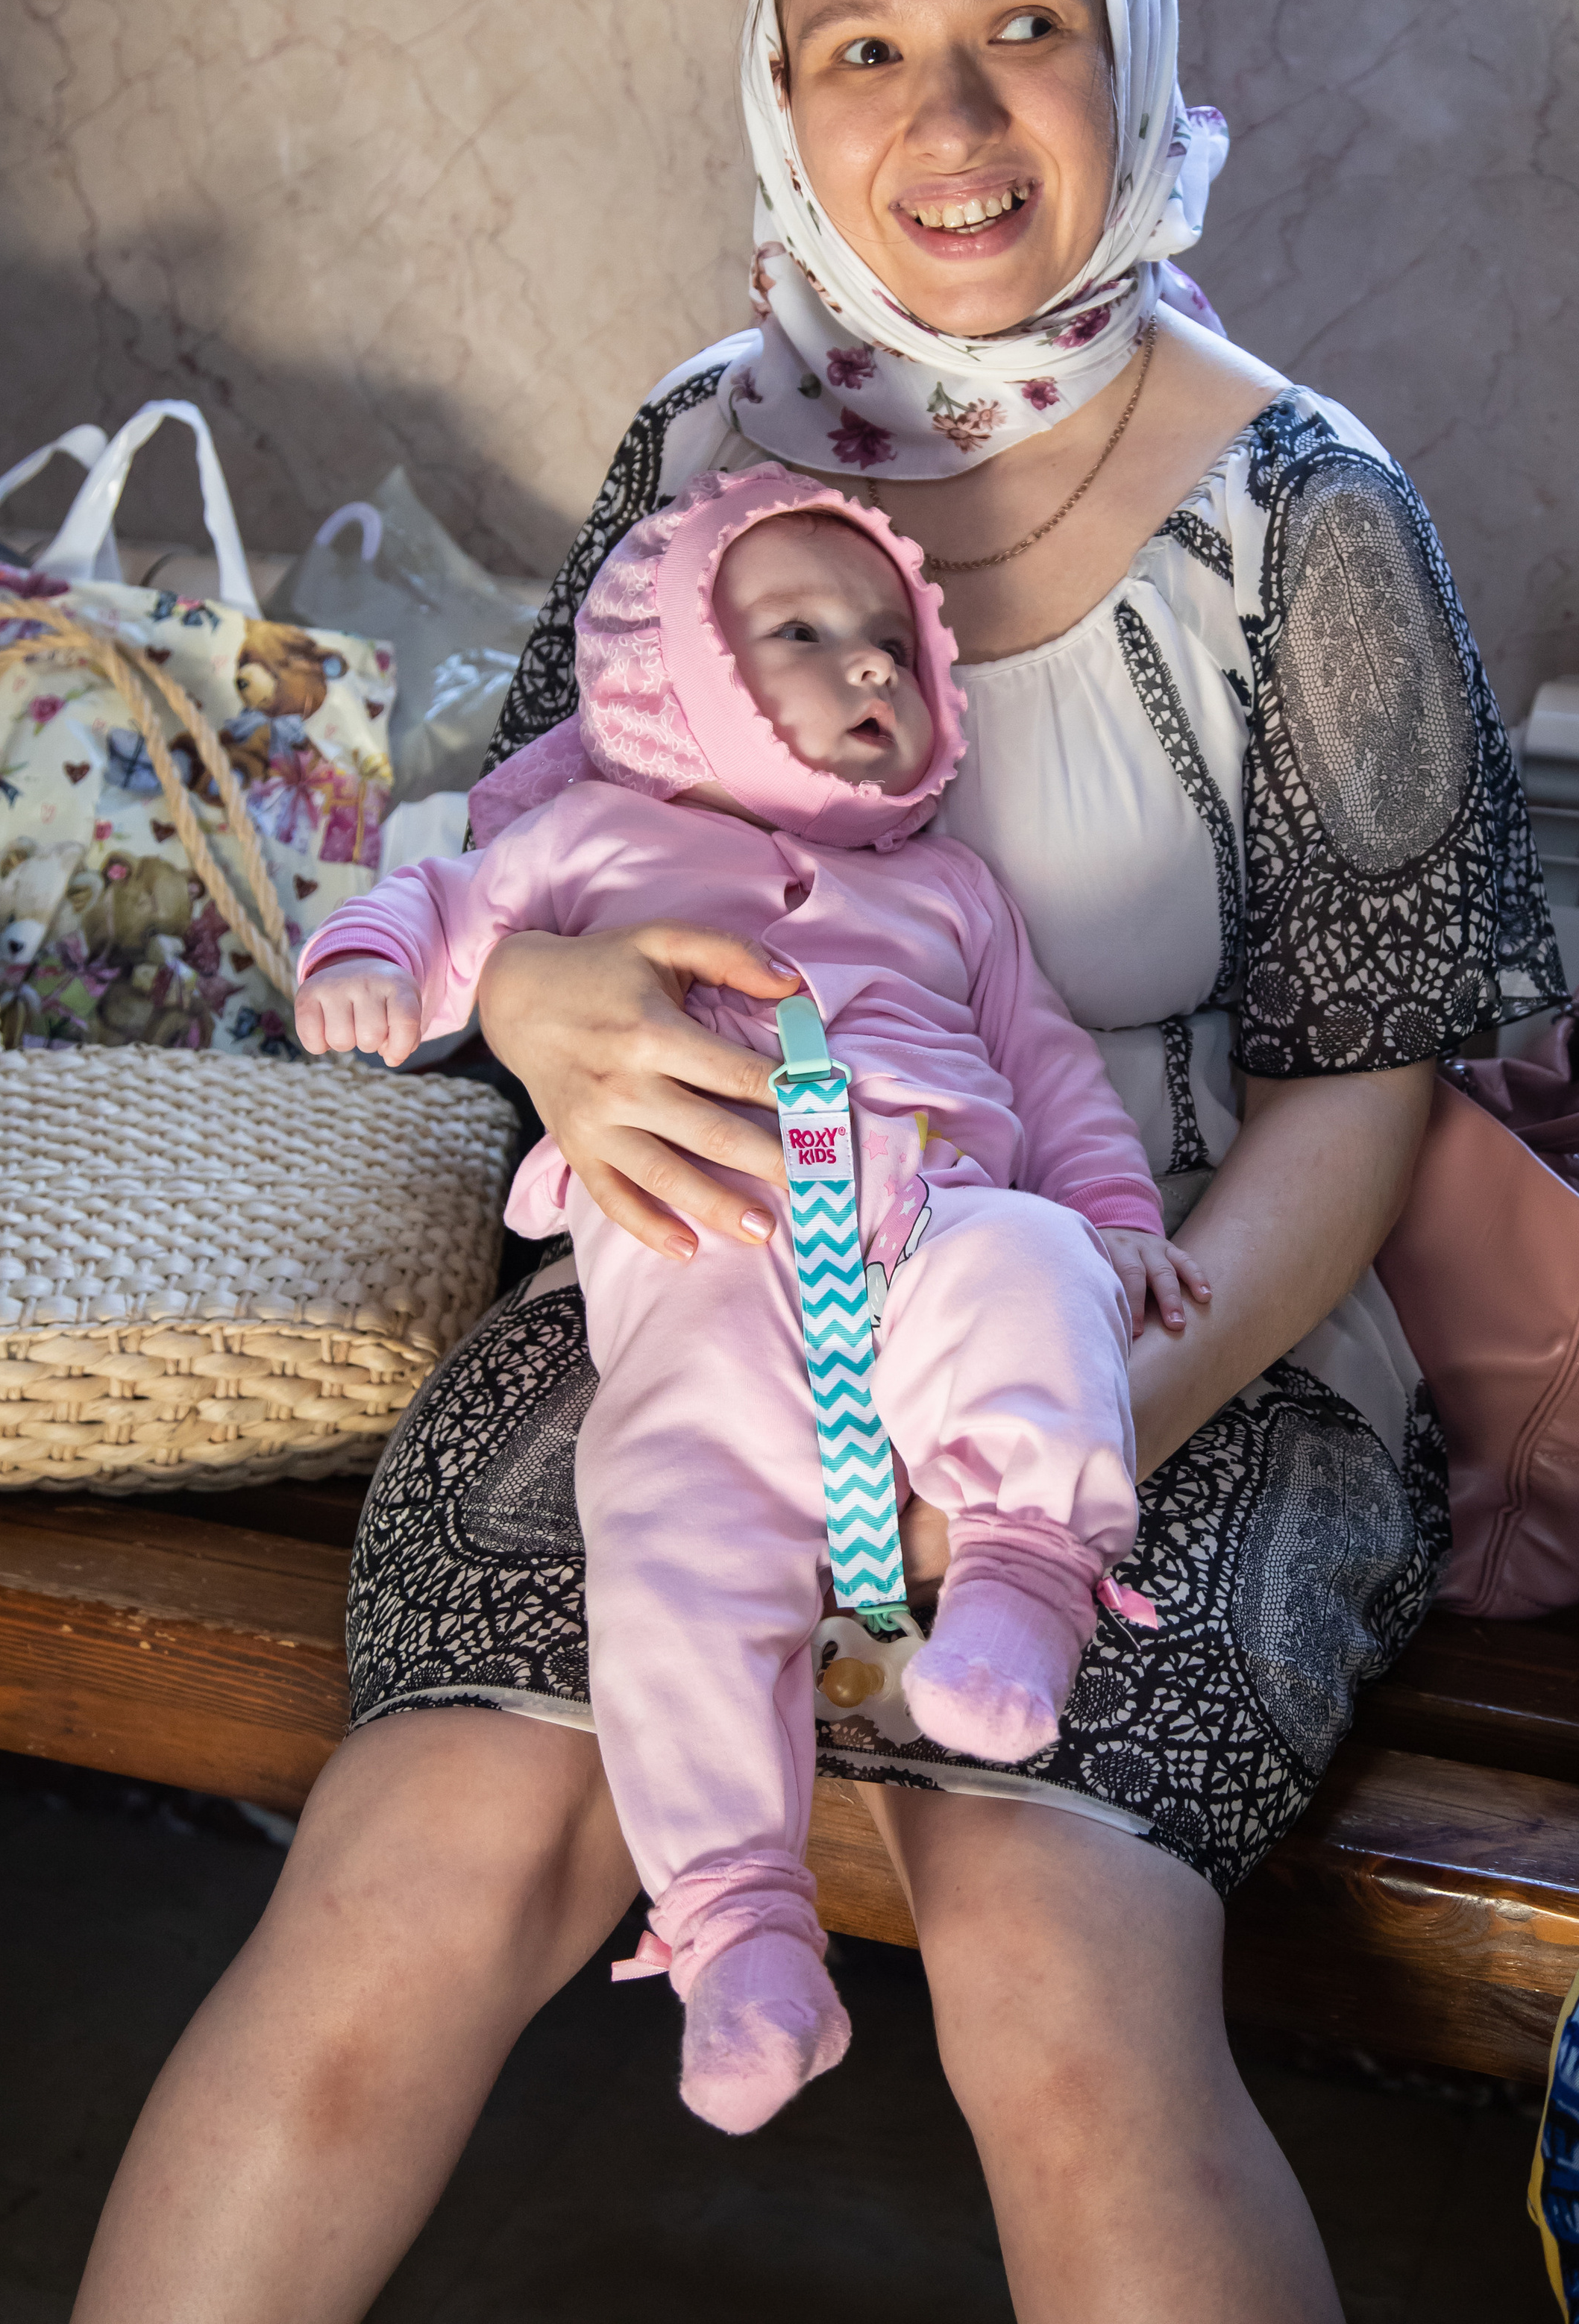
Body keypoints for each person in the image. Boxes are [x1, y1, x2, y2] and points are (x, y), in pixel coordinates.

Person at [78, 0, 1563, 2324]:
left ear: (1132, 53)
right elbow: (521, 862)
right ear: (776, 99)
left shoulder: (1303, 519)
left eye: (1024, 23)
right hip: (684, 1307)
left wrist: (1072, 1420)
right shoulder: (706, 451)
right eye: (858, 49)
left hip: (1164, 1327)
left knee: (1051, 1958)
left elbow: (1369, 1074)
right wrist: (532, 1010)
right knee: (417, 1877)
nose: (954, 116)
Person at [295, 465, 1196, 2135]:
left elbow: (1051, 1070)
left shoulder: (950, 893)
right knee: (667, 1533)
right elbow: (434, 907)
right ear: (675, 675)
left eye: (889, 646)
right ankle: (735, 1935)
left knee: (1034, 1275)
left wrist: (1116, 1217)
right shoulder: (588, 841)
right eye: (797, 631)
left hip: (929, 1216)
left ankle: (1021, 1572)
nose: (866, 669)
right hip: (694, 1252)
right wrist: (363, 970)